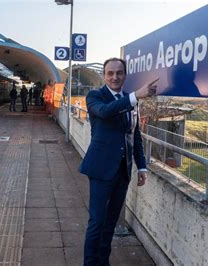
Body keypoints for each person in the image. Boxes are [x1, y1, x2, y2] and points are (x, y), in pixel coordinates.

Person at [78, 58, 159, 266]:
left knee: (111, 223)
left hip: (123, 171)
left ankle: (103, 262)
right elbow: (106, 112)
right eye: (110, 73)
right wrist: (135, 96)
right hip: (101, 170)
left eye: (119, 73)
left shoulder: (130, 99)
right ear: (104, 76)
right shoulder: (96, 96)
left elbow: (135, 134)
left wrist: (141, 166)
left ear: (125, 75)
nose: (115, 77)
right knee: (96, 222)